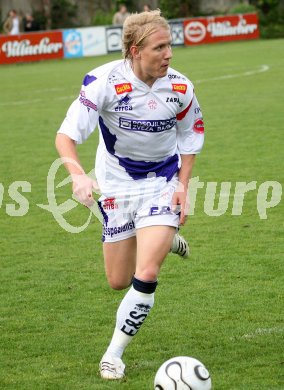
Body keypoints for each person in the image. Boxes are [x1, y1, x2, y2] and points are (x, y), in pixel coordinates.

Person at [55, 9, 204, 380]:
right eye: (160, 47)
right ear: (135, 50)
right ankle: (164, 239)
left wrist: (183, 186)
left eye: (170, 45)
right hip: (117, 185)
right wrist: (77, 176)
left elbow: (190, 137)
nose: (169, 54)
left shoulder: (181, 87)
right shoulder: (102, 82)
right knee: (117, 280)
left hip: (162, 181)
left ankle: (113, 354)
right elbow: (66, 136)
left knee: (146, 271)